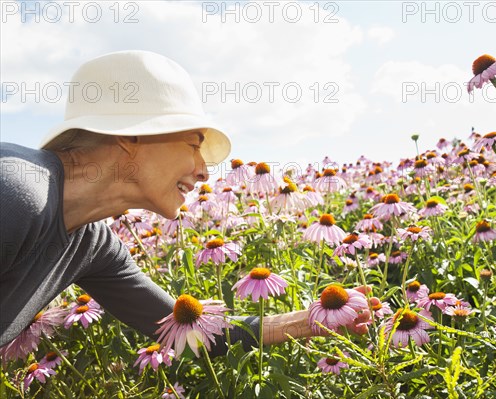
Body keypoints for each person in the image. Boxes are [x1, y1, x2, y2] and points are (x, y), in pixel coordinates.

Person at [0, 50, 376, 358]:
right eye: (194, 145)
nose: (203, 172)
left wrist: (312, 321)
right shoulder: (15, 191)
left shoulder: (91, 244)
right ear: (131, 135)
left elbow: (189, 330)